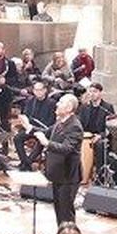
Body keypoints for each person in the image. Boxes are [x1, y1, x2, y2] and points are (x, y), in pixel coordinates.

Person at [40, 92, 83, 225]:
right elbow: (46, 132)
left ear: (69, 108)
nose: (57, 104)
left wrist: (47, 143)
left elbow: (66, 148)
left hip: (68, 176)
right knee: (59, 210)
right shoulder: (60, 122)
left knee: (66, 213)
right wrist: (30, 128)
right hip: (58, 174)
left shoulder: (75, 126)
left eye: (61, 102)